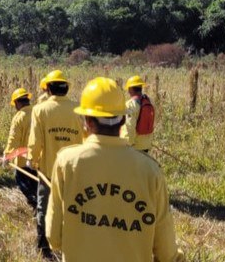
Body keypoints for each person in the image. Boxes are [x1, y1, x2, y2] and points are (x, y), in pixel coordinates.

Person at [45, 77, 183, 261]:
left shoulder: (67, 162)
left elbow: (54, 238)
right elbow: (166, 253)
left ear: (87, 120)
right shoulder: (150, 170)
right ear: (123, 119)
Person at [28, 69, 83, 260]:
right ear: (66, 88)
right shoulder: (78, 109)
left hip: (48, 171)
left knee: (44, 208)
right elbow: (86, 139)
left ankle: (44, 247)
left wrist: (32, 160)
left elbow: (35, 141)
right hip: (72, 171)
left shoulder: (40, 110)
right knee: (71, 207)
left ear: (49, 89)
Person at [4, 88, 37, 208]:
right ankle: (39, 204)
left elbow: (13, 139)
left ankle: (35, 203)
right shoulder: (38, 112)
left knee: (21, 181)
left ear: (17, 102)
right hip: (38, 158)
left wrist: (7, 155)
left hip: (23, 160)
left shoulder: (19, 117)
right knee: (36, 182)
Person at [123, 76, 155, 153]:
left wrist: (128, 144)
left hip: (135, 146)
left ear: (130, 89)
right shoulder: (150, 101)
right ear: (141, 87)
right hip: (146, 144)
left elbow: (130, 126)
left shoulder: (130, 105)